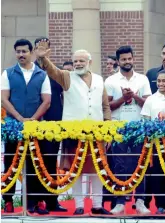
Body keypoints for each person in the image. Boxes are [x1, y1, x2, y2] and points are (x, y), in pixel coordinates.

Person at [34, 39, 112, 215]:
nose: (77, 64)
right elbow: (52, 71)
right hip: (73, 133)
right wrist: (43, 59)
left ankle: (98, 205)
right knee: (75, 170)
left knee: (97, 170)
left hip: (97, 132)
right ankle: (78, 205)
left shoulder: (100, 79)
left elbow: (105, 105)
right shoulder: (67, 77)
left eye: (81, 61)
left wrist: (108, 129)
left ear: (89, 63)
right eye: (75, 61)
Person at [1, 39, 51, 214]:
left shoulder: (41, 74)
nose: (21, 55)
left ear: (31, 52)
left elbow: (46, 101)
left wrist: (32, 119)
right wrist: (20, 118)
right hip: (13, 127)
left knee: (35, 164)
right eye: (18, 52)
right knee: (10, 164)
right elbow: (4, 99)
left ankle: (33, 202)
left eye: (24, 51)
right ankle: (8, 201)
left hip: (35, 127)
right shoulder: (7, 73)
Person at [104, 45, 151, 215]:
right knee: (119, 165)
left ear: (133, 59)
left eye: (129, 58)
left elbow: (148, 104)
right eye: (123, 59)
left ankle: (140, 201)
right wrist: (123, 99)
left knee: (140, 164)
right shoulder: (110, 81)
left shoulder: (142, 79)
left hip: (139, 127)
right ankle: (120, 201)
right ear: (118, 61)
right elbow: (107, 106)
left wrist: (134, 96)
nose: (127, 62)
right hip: (118, 127)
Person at [33, 37, 67, 212]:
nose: (41, 50)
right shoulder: (30, 72)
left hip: (54, 123)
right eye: (38, 47)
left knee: (50, 162)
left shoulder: (56, 73)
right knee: (34, 163)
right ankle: (35, 202)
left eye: (45, 47)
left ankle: (52, 202)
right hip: (35, 123)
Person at [140, 70, 165, 214]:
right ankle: (160, 205)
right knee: (158, 173)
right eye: (158, 81)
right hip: (155, 142)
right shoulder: (151, 99)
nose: (161, 84)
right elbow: (145, 119)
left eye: (164, 81)